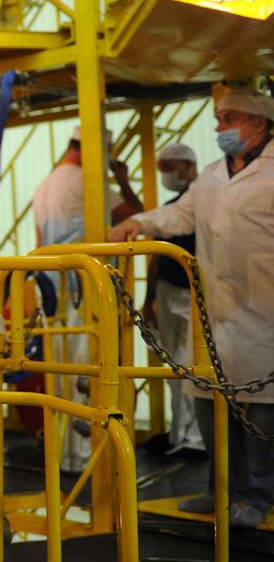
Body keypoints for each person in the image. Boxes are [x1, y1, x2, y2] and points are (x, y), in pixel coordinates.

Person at [111, 89, 274, 529]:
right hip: (214, 313)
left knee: (260, 410)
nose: (220, 127)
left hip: (265, 311)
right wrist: (140, 223)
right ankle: (218, 489)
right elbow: (180, 216)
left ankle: (256, 494)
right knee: (209, 401)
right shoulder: (211, 176)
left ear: (259, 123)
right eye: (219, 118)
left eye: (230, 118)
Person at [32, 124, 141, 472]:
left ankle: (64, 455)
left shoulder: (45, 185)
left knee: (60, 373)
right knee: (86, 372)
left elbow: (38, 238)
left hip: (52, 290)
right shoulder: (88, 182)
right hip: (84, 291)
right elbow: (136, 213)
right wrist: (121, 179)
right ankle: (83, 458)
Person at [141, 143, 204, 458]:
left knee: (196, 366)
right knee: (173, 366)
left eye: (168, 168)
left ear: (187, 165)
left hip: (197, 293)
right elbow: (156, 257)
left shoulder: (207, 204)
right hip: (168, 290)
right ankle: (179, 433)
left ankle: (195, 440)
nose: (165, 175)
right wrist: (148, 298)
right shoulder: (169, 210)